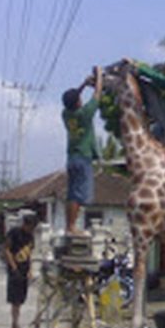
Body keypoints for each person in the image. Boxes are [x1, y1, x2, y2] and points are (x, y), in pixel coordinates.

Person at [62, 66, 103, 235]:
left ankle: (69, 226)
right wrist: (99, 75)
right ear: (78, 102)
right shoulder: (85, 114)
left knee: (72, 194)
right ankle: (72, 227)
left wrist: (84, 85)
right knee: (79, 195)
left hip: (72, 158)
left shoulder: (66, 114)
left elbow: (72, 99)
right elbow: (97, 95)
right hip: (83, 158)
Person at [3, 214, 38, 328]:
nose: (31, 229)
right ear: (25, 224)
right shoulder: (14, 233)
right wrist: (14, 267)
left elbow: (29, 255)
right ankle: (15, 325)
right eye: (30, 227)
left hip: (24, 269)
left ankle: (15, 325)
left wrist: (30, 270)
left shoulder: (30, 237)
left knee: (21, 299)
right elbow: (7, 250)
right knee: (15, 300)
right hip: (15, 270)